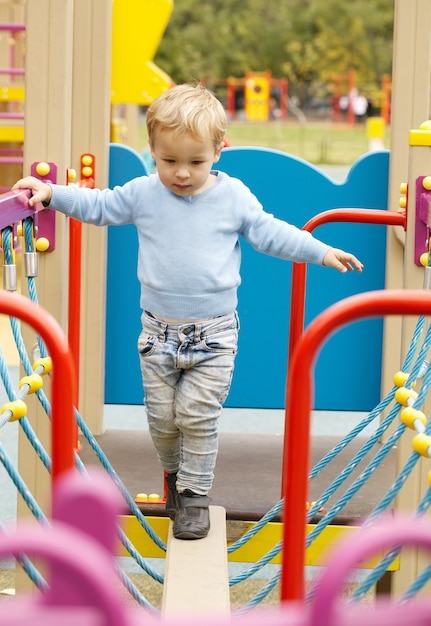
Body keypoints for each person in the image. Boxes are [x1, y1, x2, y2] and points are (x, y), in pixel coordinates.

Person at [12, 83, 363, 540]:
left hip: (214, 335)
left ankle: (195, 495)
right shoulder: (142, 193)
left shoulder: (233, 197)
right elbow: (98, 205)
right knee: (161, 422)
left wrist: (319, 251)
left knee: (197, 415)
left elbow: (270, 232)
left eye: (195, 162)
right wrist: (51, 193)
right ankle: (177, 477)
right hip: (157, 333)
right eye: (168, 161)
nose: (181, 174)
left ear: (220, 149)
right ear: (152, 151)